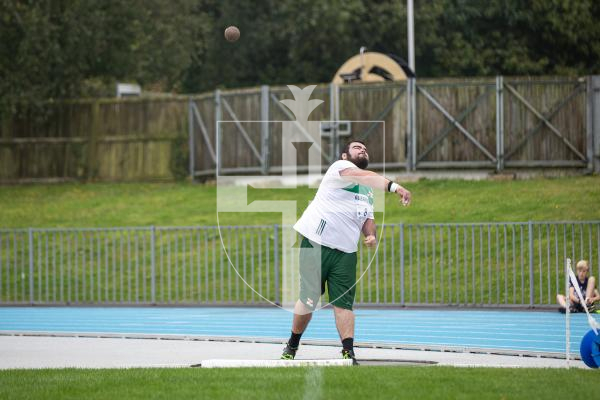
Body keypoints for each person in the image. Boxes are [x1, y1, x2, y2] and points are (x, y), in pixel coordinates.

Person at [280, 140, 411, 365]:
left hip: (346, 253)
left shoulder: (367, 192)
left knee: (344, 304)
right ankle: (292, 344)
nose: (363, 150)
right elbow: (365, 176)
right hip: (316, 244)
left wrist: (370, 235)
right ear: (344, 155)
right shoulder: (338, 169)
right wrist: (395, 187)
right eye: (357, 148)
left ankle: (348, 352)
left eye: (365, 148)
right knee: (309, 299)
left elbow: (368, 218)